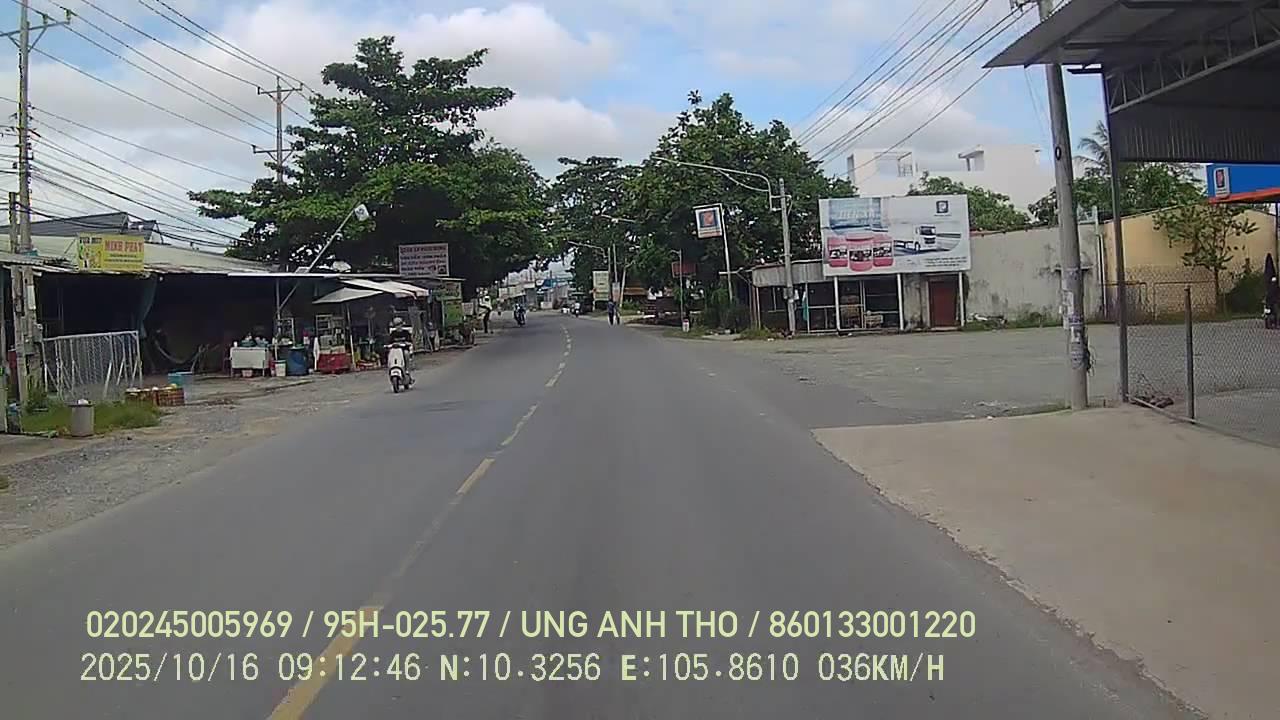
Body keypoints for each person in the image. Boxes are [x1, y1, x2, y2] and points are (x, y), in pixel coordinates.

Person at [388, 316, 414, 381]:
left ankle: (407, 370)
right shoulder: (393, 333)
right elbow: (389, 342)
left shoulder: (406, 333)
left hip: (403, 349)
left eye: (399, 324)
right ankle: (391, 368)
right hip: (395, 350)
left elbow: (410, 341)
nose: (398, 326)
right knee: (390, 355)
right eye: (396, 325)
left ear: (402, 324)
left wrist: (407, 343)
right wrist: (389, 345)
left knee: (406, 354)